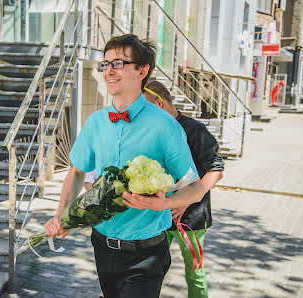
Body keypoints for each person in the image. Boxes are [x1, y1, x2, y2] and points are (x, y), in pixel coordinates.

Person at [44, 34, 204, 298]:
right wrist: (62, 215)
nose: (108, 71)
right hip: (101, 246)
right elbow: (76, 171)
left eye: (117, 63)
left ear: (142, 70)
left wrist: (163, 204)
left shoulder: (165, 126)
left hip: (146, 254)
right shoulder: (94, 123)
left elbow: (194, 187)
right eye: (104, 64)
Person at [143, 80, 224, 298]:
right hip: (161, 216)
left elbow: (216, 170)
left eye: (145, 108)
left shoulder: (195, 129)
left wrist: (186, 200)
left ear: (158, 104)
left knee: (194, 273)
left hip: (193, 218)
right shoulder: (153, 131)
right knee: (152, 270)